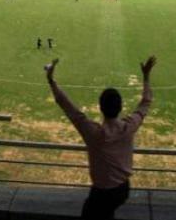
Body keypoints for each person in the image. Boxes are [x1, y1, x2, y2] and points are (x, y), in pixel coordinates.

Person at [45, 56, 156, 220]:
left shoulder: (93, 133)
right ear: (120, 107)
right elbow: (145, 102)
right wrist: (146, 76)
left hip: (102, 193)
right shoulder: (129, 127)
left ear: (100, 108)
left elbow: (67, 106)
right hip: (123, 190)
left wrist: (51, 80)